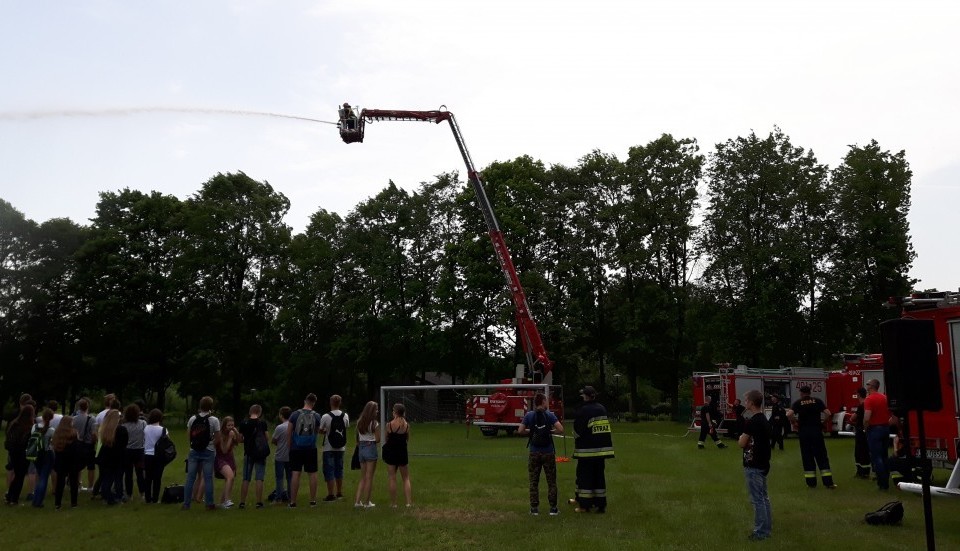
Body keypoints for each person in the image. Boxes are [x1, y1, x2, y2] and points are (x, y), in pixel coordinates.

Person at [570, 386, 614, 513]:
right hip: (601, 451)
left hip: (586, 452)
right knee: (599, 477)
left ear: (586, 396)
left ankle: (585, 505)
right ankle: (600, 505)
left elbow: (578, 431)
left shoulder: (583, 411)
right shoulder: (602, 409)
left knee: (585, 478)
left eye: (583, 395)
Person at [518, 393, 563, 516]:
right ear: (543, 402)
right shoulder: (550, 415)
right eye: (546, 401)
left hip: (534, 452)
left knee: (533, 481)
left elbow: (520, 430)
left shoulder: (529, 415)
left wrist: (532, 431)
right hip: (548, 452)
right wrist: (550, 431)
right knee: (551, 481)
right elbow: (561, 429)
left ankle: (534, 509)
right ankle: (553, 508)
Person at [739, 389, 772, 541]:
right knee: (764, 498)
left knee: (757, 499)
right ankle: (766, 529)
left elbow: (742, 443)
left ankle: (760, 533)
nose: (745, 403)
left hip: (753, 465)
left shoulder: (751, 422)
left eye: (746, 401)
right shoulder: (764, 420)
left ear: (751, 403)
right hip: (764, 463)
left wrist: (741, 436)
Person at [786, 386, 836, 488]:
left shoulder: (798, 402)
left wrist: (794, 422)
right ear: (810, 392)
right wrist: (823, 423)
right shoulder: (817, 401)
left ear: (801, 393)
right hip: (816, 432)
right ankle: (828, 482)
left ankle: (811, 483)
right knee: (822, 457)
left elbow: (789, 414)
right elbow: (828, 413)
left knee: (807, 457)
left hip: (804, 433)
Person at [287, 393, 325, 508]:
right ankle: (312, 501)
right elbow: (321, 430)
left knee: (295, 473)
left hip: (296, 448)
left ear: (305, 401)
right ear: (314, 403)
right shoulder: (317, 416)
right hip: (311, 448)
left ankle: (293, 502)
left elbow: (289, 432)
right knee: (312, 474)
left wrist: (290, 446)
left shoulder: (294, 415)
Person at [183, 396, 221, 510]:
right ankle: (209, 503)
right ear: (211, 407)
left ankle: (186, 504)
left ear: (200, 406)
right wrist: (211, 444)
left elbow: (188, 435)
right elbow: (218, 438)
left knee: (190, 478)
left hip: (194, 450)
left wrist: (194, 444)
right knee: (208, 477)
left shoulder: (192, 418)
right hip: (208, 451)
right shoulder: (214, 420)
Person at [318, 394, 350, 502]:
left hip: (328, 447)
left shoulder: (326, 416)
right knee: (339, 469)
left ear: (330, 403)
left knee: (329, 470)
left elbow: (321, 430)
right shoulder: (345, 415)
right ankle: (339, 492)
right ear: (340, 403)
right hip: (341, 447)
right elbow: (346, 427)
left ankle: (330, 494)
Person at [238, 404, 269, 509]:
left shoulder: (244, 423)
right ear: (259, 412)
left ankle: (242, 502)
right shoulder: (262, 423)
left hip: (248, 453)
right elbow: (266, 438)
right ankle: (259, 502)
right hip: (260, 453)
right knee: (259, 478)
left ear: (250, 411)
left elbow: (240, 439)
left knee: (246, 478)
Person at [382, 403, 413, 508]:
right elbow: (407, 439)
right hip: (402, 452)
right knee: (406, 478)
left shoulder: (389, 425)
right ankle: (408, 502)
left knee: (392, 478)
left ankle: (394, 503)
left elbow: (386, 438)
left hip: (391, 453)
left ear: (395, 412)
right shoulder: (407, 425)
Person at [4, 404, 35, 505]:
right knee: (20, 477)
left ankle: (10, 496)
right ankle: (14, 499)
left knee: (17, 475)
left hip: (13, 452)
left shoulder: (14, 423)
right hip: (23, 453)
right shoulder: (29, 427)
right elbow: (31, 443)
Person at [863, 378, 890, 490]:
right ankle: (886, 480)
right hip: (885, 428)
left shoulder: (869, 399)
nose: (866, 386)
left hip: (874, 429)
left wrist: (865, 427)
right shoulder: (885, 397)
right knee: (884, 456)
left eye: (867, 384)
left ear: (872, 386)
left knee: (876, 457)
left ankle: (882, 483)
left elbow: (867, 417)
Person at [97, 410, 128, 506]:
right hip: (118, 456)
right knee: (118, 478)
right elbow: (125, 443)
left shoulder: (104, 429)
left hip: (106, 456)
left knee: (107, 478)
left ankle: (107, 496)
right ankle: (118, 497)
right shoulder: (122, 430)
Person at [353, 400, 380, 508]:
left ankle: (357, 501)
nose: (377, 411)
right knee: (369, 477)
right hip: (370, 448)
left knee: (363, 477)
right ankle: (367, 502)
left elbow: (357, 438)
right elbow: (378, 439)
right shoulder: (374, 423)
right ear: (372, 411)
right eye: (376, 409)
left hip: (361, 449)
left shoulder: (359, 421)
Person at [52, 415, 82, 509]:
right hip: (72, 460)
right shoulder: (74, 433)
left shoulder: (57, 433)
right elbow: (77, 447)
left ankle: (58, 504)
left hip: (60, 459)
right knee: (74, 482)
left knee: (60, 482)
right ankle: (74, 503)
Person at [5, 394, 32, 489]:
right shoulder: (28, 414)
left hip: (12, 445)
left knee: (11, 467)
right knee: (17, 469)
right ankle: (12, 490)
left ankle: (9, 490)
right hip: (20, 446)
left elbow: (8, 429)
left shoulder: (14, 414)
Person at [122, 403, 147, 501]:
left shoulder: (124, 425)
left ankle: (129, 494)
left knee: (128, 474)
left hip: (127, 451)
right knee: (140, 473)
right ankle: (142, 493)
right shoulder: (143, 423)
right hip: (139, 451)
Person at [31, 408, 56, 508]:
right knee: (44, 478)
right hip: (47, 454)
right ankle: (38, 501)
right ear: (51, 418)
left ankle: (35, 499)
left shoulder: (34, 427)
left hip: (36, 454)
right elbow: (53, 443)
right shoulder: (51, 430)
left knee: (40, 475)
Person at [142, 408, 167, 504]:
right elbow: (167, 442)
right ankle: (155, 498)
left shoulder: (146, 428)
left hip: (147, 454)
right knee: (157, 478)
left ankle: (147, 498)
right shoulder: (163, 430)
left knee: (148, 478)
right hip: (158, 456)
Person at [73, 398, 98, 491]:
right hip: (88, 445)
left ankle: (78, 485)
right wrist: (94, 441)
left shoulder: (74, 419)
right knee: (91, 467)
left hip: (77, 444)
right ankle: (90, 486)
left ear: (79, 407)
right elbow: (94, 434)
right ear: (87, 407)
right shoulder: (92, 419)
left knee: (78, 466)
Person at [215, 416, 240, 508]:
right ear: (224, 426)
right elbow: (224, 450)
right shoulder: (221, 435)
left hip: (230, 458)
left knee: (228, 480)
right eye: (228, 425)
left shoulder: (232, 432)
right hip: (221, 458)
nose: (231, 427)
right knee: (230, 477)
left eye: (232, 425)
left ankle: (222, 502)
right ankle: (227, 500)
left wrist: (236, 433)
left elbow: (240, 441)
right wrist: (230, 438)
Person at [271, 406, 292, 503]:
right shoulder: (293, 426)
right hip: (290, 455)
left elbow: (274, 440)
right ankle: (291, 495)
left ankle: (278, 497)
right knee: (290, 477)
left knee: (279, 477)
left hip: (280, 455)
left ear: (281, 415)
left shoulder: (279, 427)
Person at [851, 388, 871, 479]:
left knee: (859, 452)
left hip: (861, 431)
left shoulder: (861, 405)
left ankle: (861, 472)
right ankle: (865, 471)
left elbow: (853, 418)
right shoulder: (868, 403)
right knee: (865, 451)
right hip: (868, 430)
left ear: (858, 394)